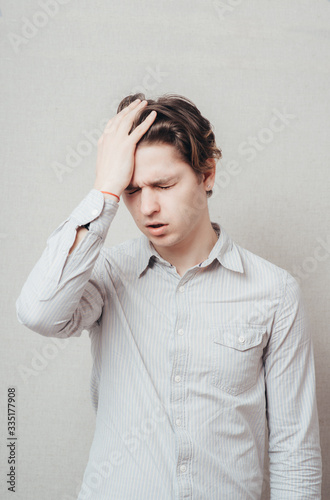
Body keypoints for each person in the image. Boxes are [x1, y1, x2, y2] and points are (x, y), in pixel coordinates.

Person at [16, 94, 322, 499]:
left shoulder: (275, 292)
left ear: (207, 174)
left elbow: (294, 451)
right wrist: (104, 190)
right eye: (131, 190)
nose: (147, 207)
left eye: (164, 184)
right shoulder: (106, 275)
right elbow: (39, 312)